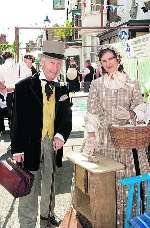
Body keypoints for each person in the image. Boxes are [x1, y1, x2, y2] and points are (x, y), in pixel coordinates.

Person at [83, 47, 150, 227]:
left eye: (110, 59)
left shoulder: (132, 82)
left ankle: (129, 220)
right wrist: (91, 138)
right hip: (105, 140)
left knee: (128, 180)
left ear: (118, 59)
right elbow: (92, 114)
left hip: (127, 140)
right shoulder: (96, 84)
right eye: (104, 61)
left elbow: (141, 107)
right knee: (106, 183)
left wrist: (129, 114)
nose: (108, 64)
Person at [11, 40, 72, 228]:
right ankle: (27, 223)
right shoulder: (23, 87)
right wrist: (17, 149)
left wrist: (60, 135)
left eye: (59, 64)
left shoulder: (62, 88)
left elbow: (66, 118)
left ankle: (47, 216)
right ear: (43, 62)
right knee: (28, 185)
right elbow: (16, 122)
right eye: (52, 63)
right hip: (29, 145)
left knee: (50, 183)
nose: (55, 67)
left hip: (51, 144)